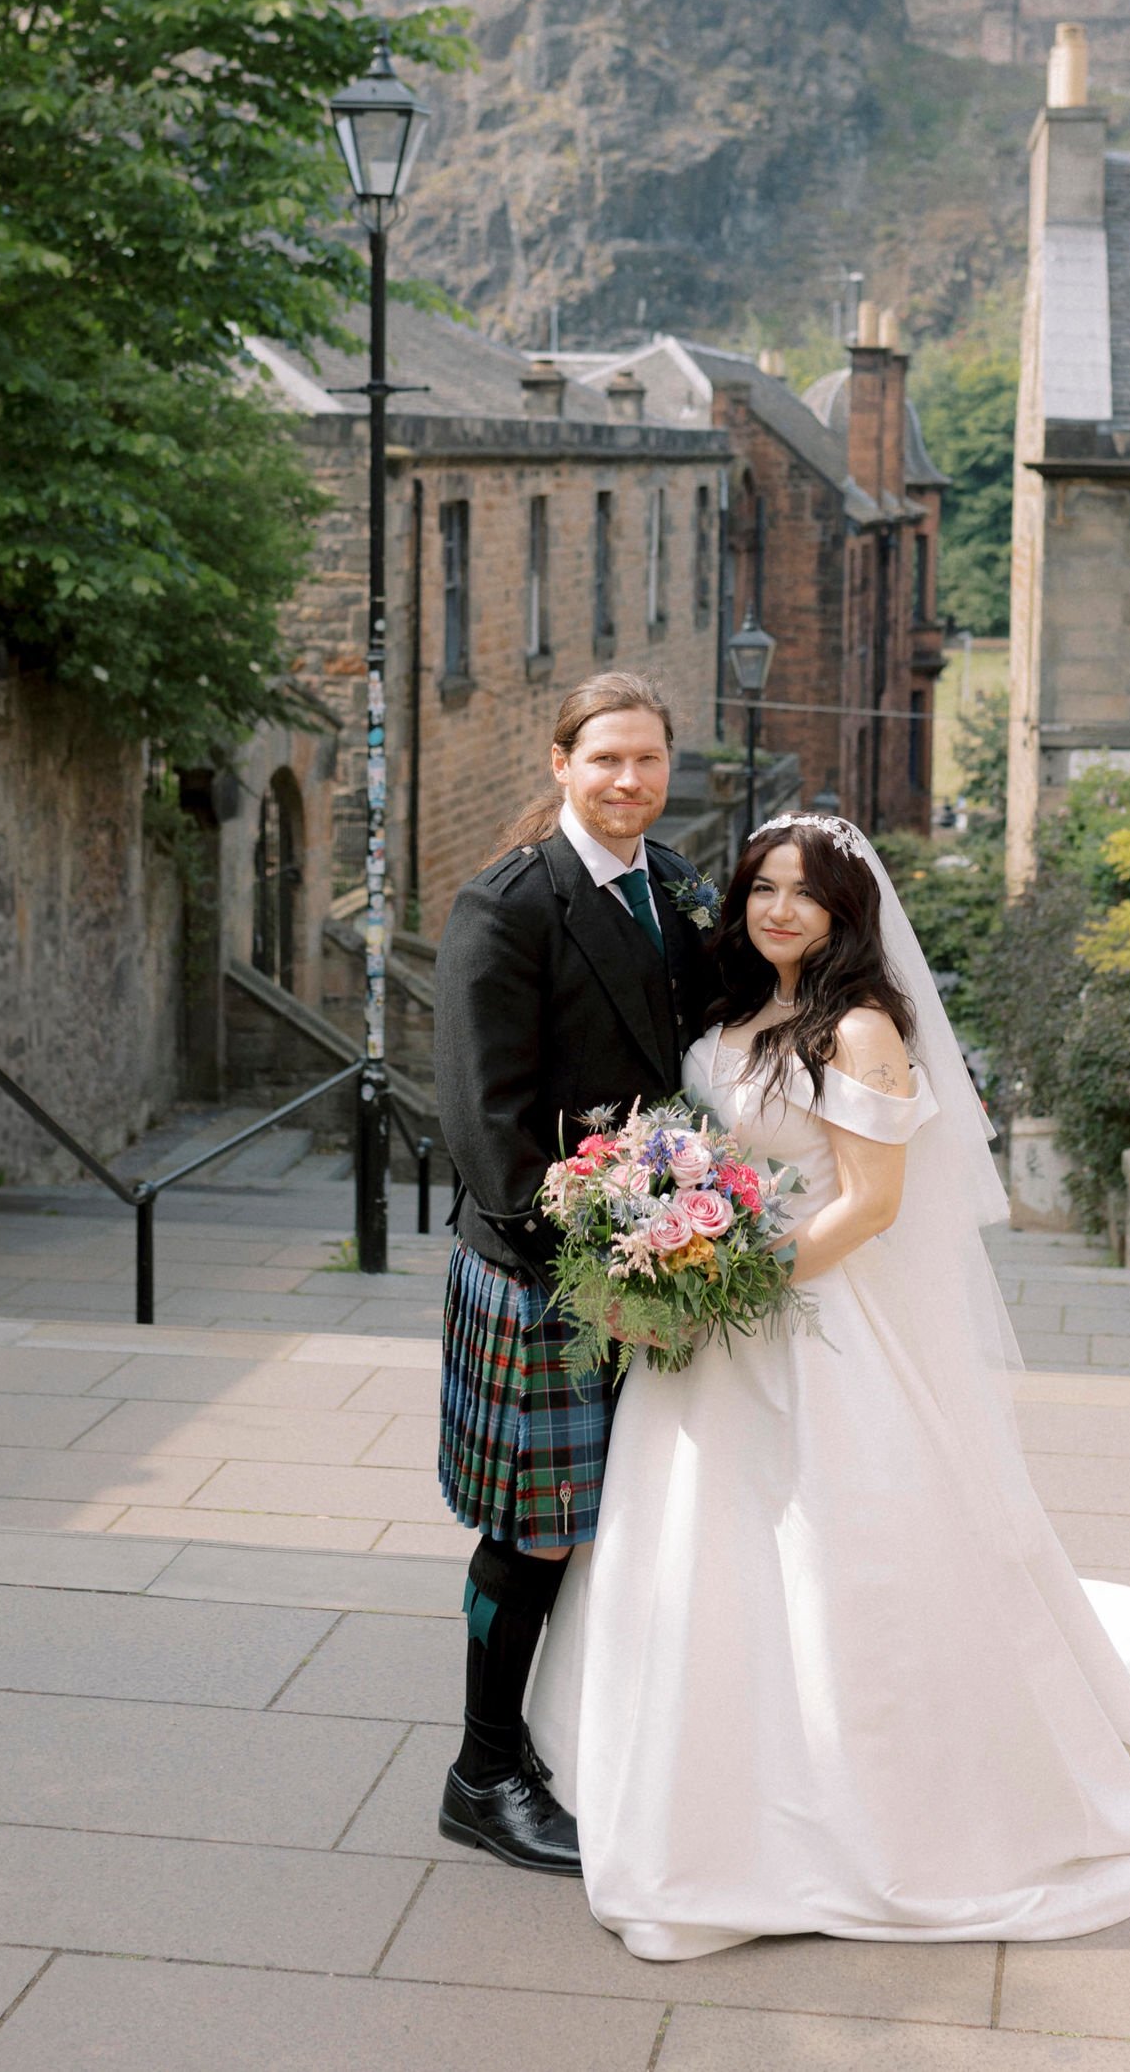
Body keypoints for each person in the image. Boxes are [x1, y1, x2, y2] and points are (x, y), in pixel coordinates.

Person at [529, 811, 1130, 1958]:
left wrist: (732, 1279)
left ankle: (864, 1804)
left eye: (805, 893)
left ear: (847, 909)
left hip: (800, 1308)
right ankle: (690, 1771)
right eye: (762, 887)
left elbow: (871, 1203)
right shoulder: (727, 1007)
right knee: (696, 1543)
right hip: (711, 1315)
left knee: (834, 1547)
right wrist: (659, 1234)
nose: (778, 910)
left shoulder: (857, 1029)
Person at [432, 671, 719, 1874]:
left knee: (619, 1522)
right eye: (604, 758)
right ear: (559, 763)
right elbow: (487, 1127)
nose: (628, 782)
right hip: (545, 1270)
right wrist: (602, 1271)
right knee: (533, 1530)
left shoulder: (675, 889)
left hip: (652, 1259)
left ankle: (545, 1745)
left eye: (647, 760)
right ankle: (483, 1773)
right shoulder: (507, 905)